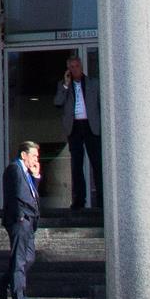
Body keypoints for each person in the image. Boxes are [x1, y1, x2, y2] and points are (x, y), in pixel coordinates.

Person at [0, 141, 41, 299]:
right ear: (23, 155)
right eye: (33, 155)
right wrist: (20, 216)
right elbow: (16, 194)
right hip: (20, 219)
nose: (36, 159)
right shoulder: (14, 169)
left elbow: (31, 194)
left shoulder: (26, 172)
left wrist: (36, 177)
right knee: (19, 260)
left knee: (29, 258)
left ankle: (0, 286)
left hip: (29, 220)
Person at [55, 55, 102, 211]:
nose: (75, 69)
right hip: (74, 127)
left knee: (97, 163)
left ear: (81, 67)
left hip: (90, 126)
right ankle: (79, 199)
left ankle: (101, 198)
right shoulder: (64, 85)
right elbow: (58, 102)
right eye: (72, 67)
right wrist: (66, 85)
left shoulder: (93, 83)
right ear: (68, 69)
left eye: (77, 66)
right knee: (76, 164)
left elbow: (101, 104)